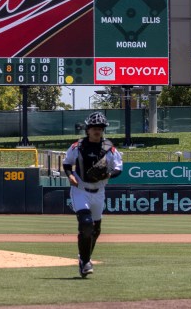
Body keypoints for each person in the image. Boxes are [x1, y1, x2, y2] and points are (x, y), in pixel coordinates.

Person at [62, 112, 123, 278]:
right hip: (81, 189)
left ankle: (83, 259)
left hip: (99, 191)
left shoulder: (109, 148)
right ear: (88, 129)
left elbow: (118, 167)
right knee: (86, 223)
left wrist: (109, 173)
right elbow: (67, 163)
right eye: (95, 128)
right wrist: (71, 176)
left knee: (96, 230)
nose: (98, 131)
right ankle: (86, 261)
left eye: (101, 128)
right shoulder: (78, 146)